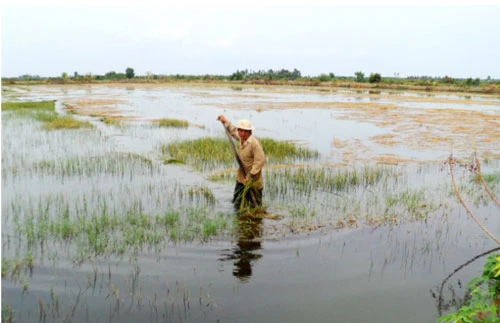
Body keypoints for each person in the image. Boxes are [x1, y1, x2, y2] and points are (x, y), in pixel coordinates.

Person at [217, 115, 265, 210]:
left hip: (253, 178)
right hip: (242, 176)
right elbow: (233, 131)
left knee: (255, 205)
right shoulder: (241, 138)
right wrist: (225, 121)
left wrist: (250, 175)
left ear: (250, 132)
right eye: (241, 130)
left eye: (246, 131)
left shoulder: (254, 143)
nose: (242, 134)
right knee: (237, 202)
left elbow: (260, 160)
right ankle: (239, 220)